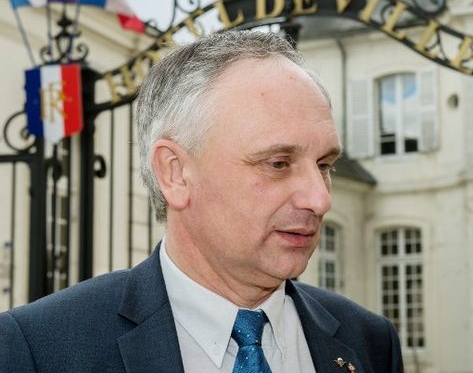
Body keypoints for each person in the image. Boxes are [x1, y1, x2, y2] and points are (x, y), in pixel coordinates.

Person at [0, 31, 403, 372]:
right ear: (174, 172)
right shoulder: (38, 349)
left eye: (324, 164)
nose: (319, 198)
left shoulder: (369, 342)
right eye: (278, 163)